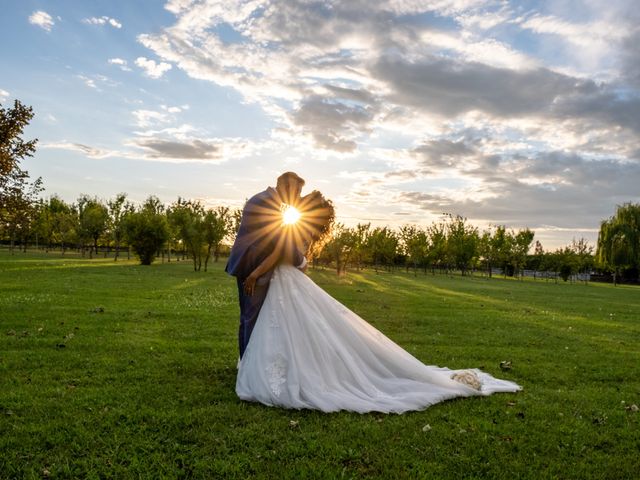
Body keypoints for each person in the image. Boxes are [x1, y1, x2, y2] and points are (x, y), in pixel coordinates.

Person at [236, 191, 521, 414]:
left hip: (285, 281)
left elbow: (281, 255)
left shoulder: (295, 226)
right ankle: (293, 369)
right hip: (289, 282)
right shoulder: (304, 229)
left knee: (294, 328)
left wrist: (258, 271)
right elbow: (295, 258)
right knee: (297, 329)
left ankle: (293, 372)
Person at [226, 172, 308, 359]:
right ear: (285, 187)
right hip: (252, 266)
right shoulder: (267, 203)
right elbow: (281, 245)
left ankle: (244, 365)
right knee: (252, 318)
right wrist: (300, 260)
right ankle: (248, 370)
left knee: (248, 317)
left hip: (250, 264)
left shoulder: (267, 200)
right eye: (297, 191)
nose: (298, 196)